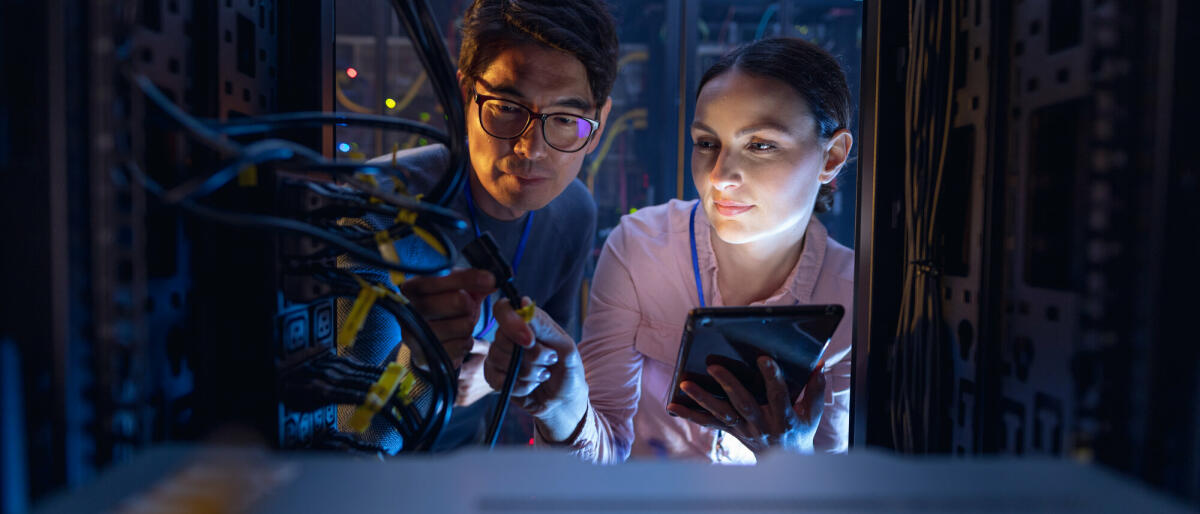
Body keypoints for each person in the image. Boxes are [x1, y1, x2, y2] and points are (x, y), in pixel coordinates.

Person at [484, 37, 855, 463]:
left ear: (832, 157)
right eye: (706, 143)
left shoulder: (850, 295)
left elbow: (837, 490)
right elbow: (602, 455)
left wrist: (791, 456)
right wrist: (563, 405)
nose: (720, 176)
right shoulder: (641, 247)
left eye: (761, 145)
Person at [338, 0, 618, 452]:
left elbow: (542, 370)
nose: (531, 149)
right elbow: (350, 437)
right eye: (507, 108)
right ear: (465, 95)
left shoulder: (573, 212)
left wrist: (496, 375)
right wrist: (423, 370)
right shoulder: (375, 205)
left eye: (565, 120)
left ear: (599, 124)